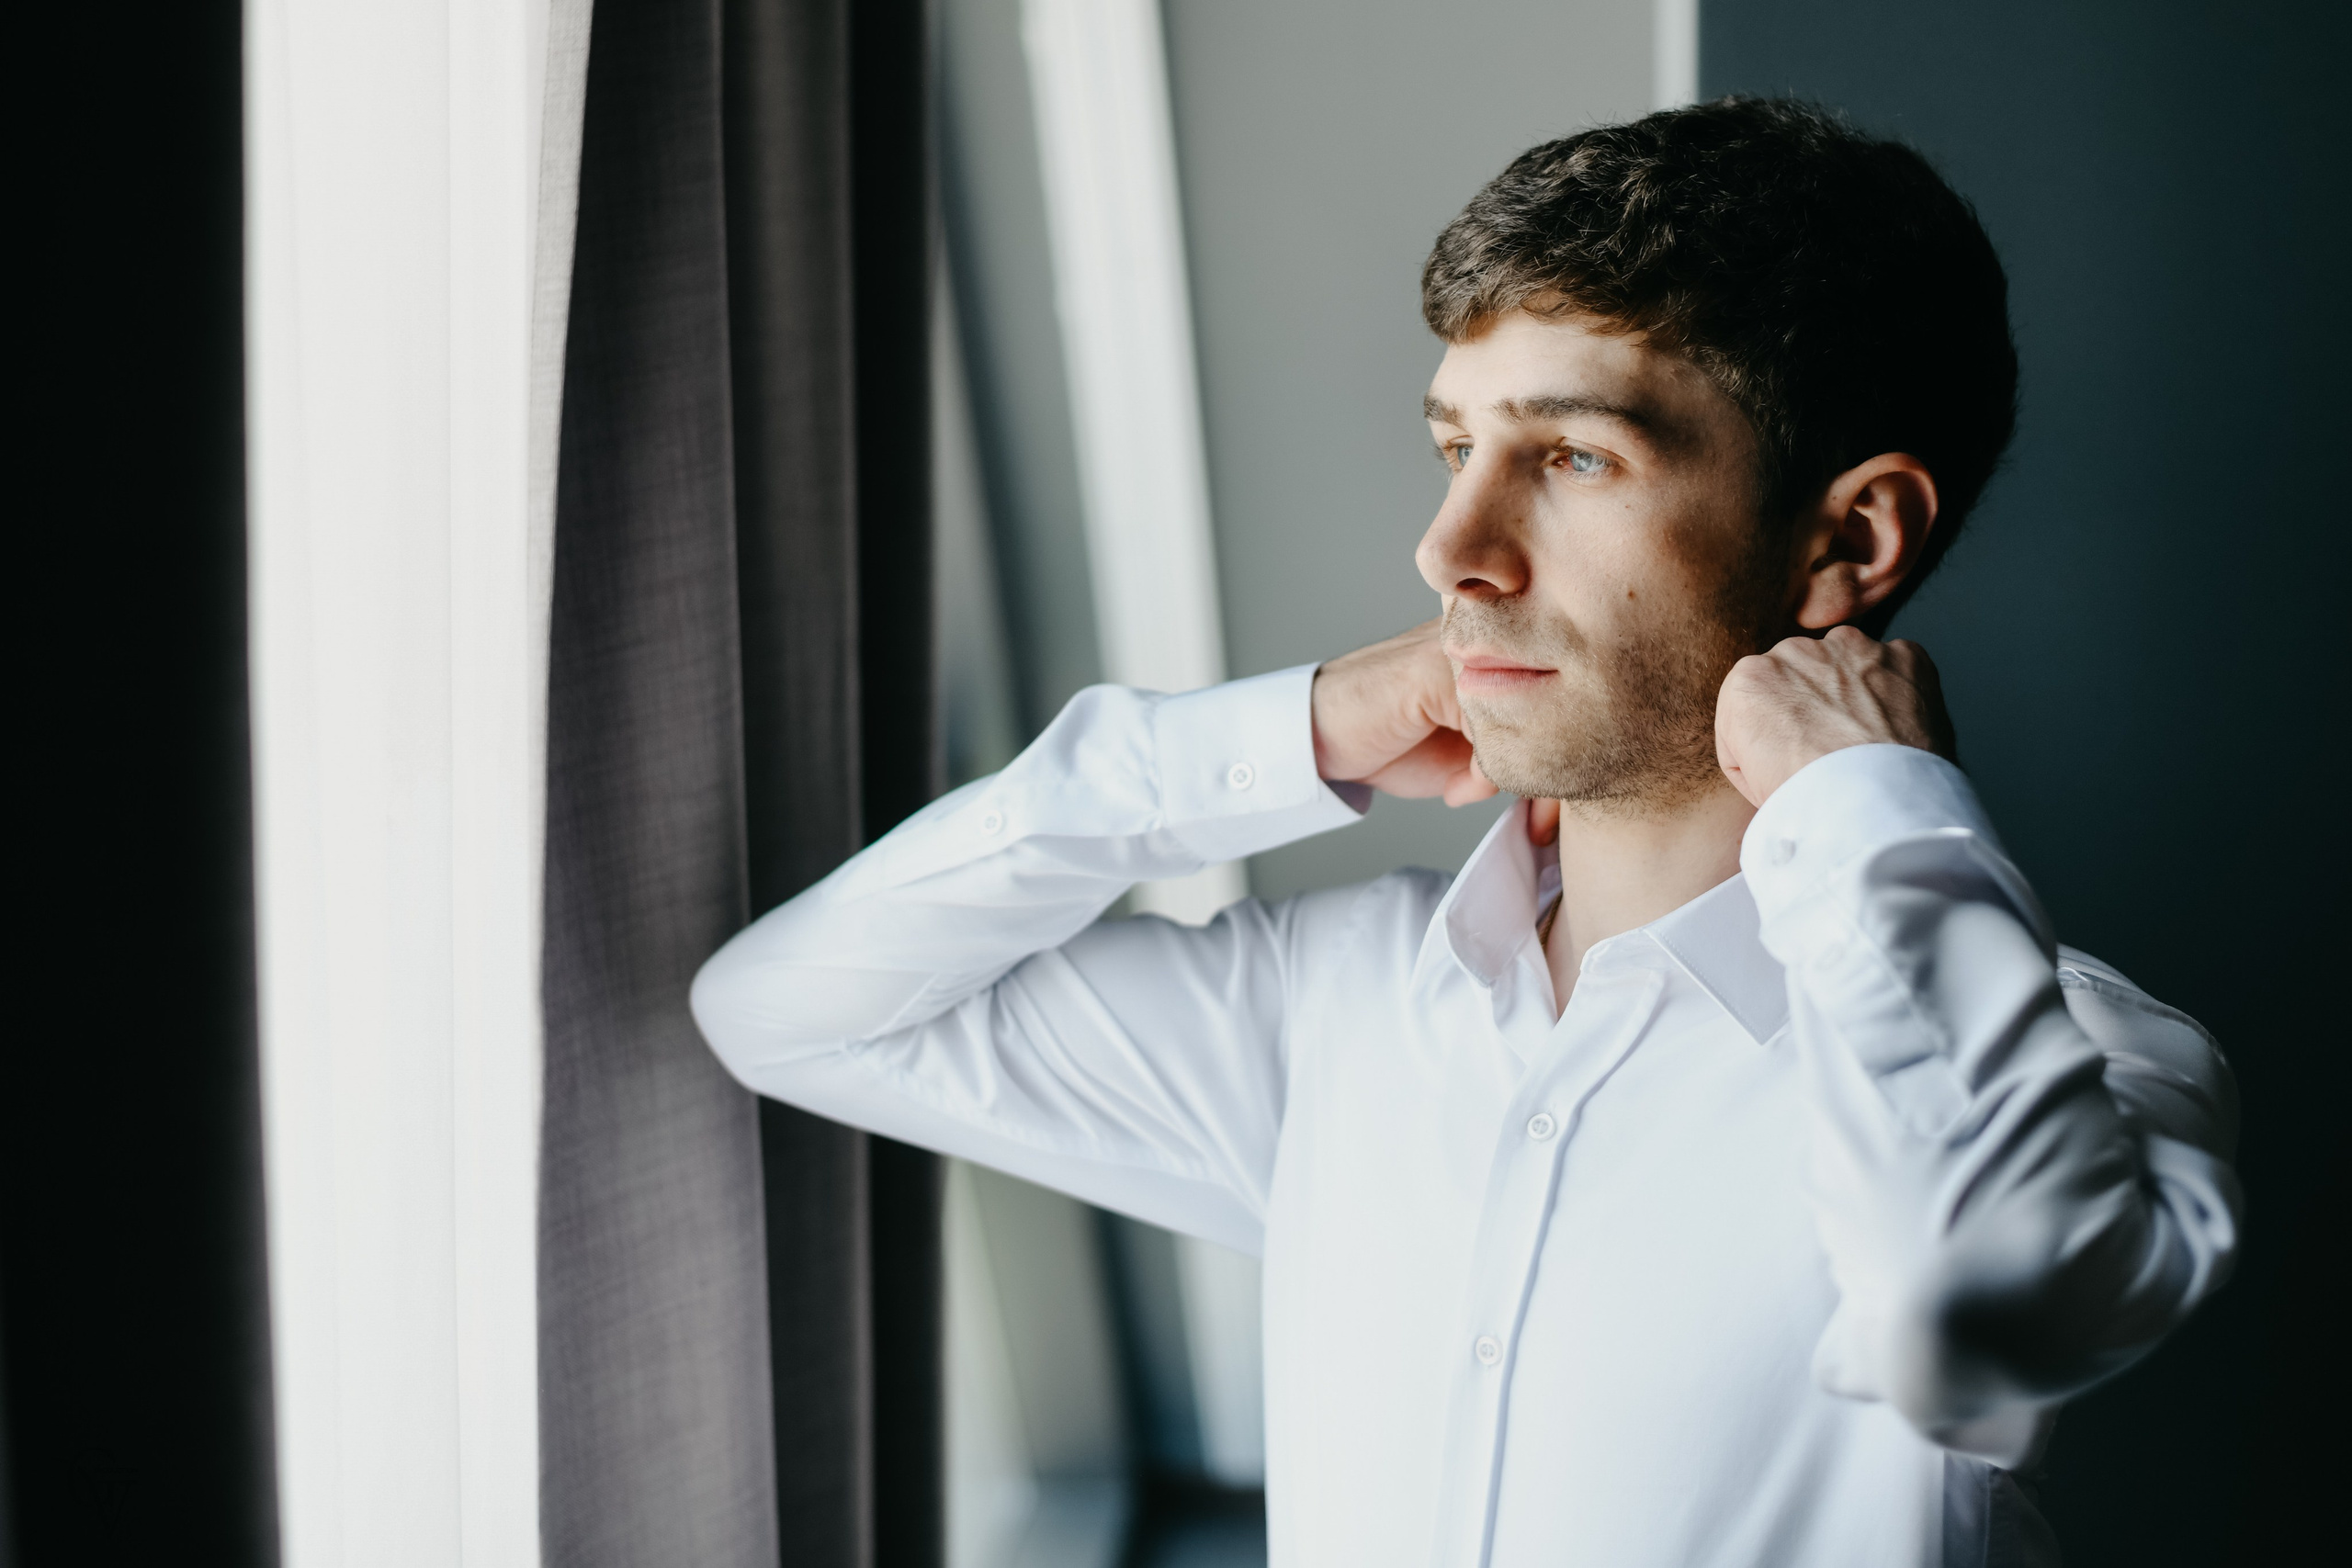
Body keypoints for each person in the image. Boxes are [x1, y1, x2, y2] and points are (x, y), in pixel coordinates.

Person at [691, 98, 2238, 1567]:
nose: (1451, 549)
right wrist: (1275, 733)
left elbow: (1968, 1317)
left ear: (1849, 540)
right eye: (1457, 447)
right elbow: (785, 1010)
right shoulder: (1330, 1009)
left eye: (1571, 456)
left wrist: (1863, 800)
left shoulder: (2087, 1065)